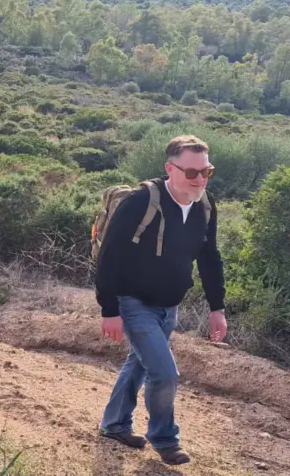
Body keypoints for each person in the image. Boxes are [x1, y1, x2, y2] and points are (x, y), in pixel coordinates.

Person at [95, 135, 228, 466]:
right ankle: (165, 438)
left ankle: (114, 424)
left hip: (169, 305)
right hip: (132, 301)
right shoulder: (141, 202)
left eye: (206, 171)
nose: (200, 179)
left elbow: (210, 257)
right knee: (165, 373)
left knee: (139, 364)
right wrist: (109, 310)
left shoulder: (205, 206)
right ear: (171, 168)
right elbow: (109, 256)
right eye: (192, 172)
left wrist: (217, 307)